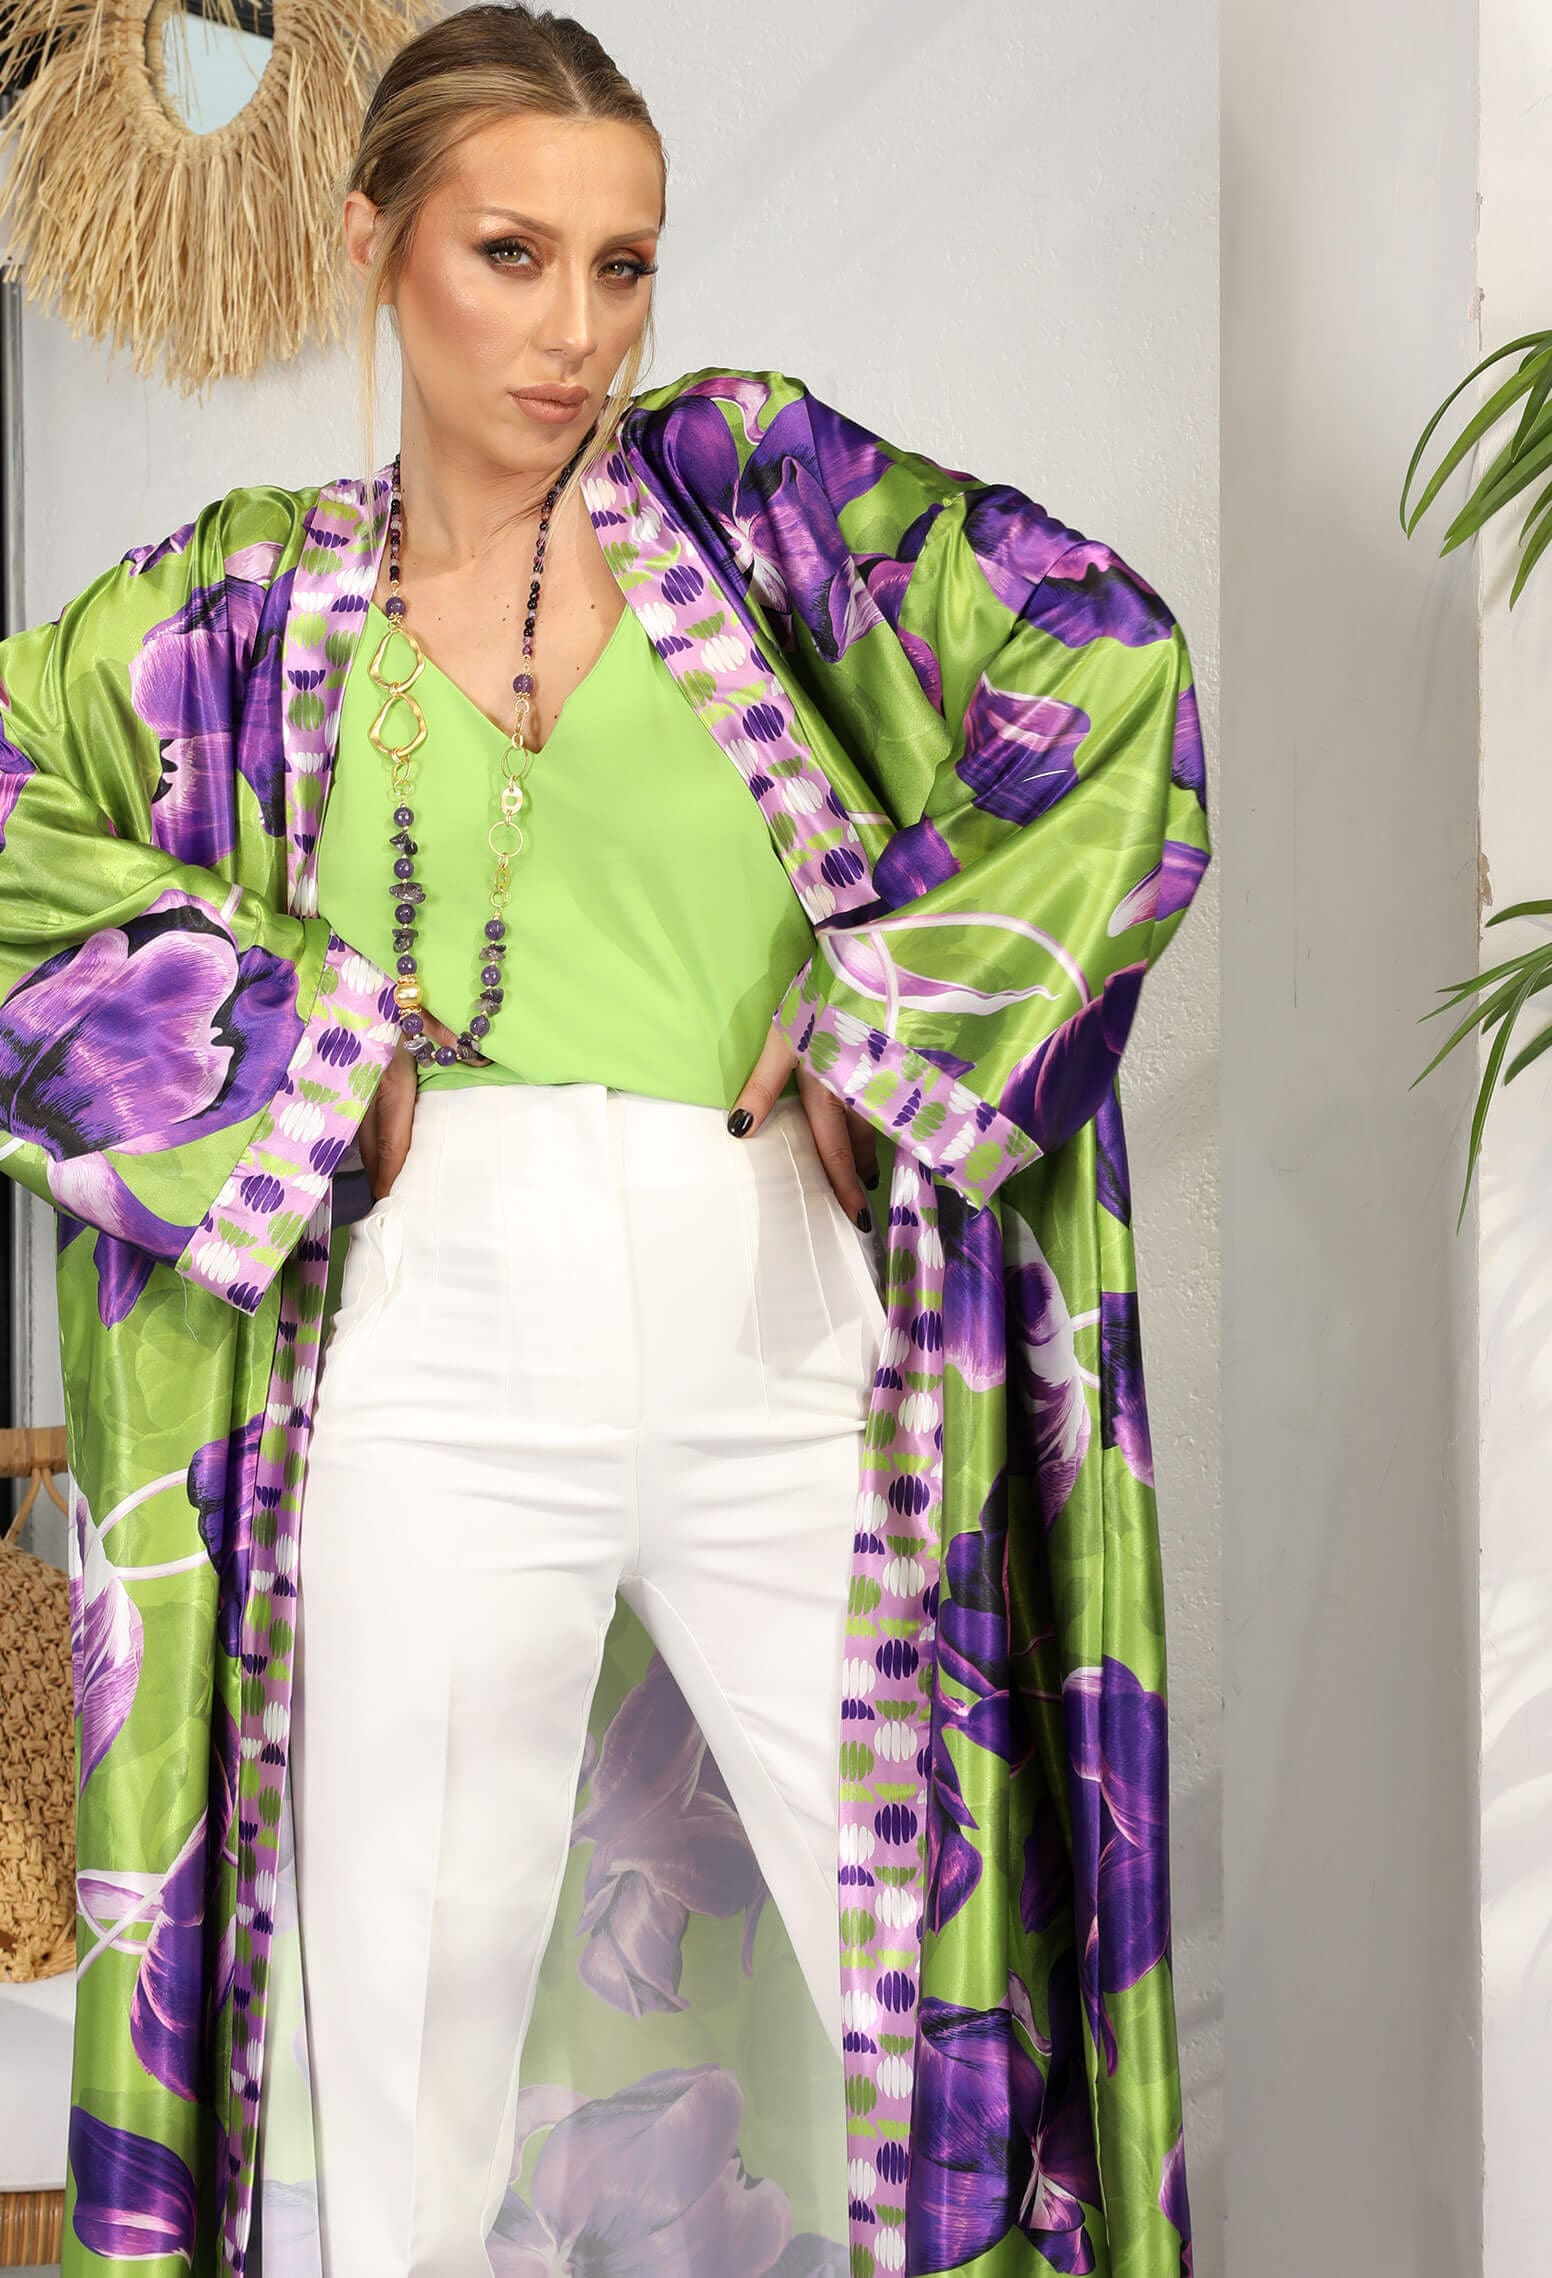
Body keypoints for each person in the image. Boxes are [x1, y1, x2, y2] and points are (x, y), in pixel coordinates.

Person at [1, 8, 1210, 2275]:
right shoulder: (240, 614)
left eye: (623, 264)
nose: (576, 330)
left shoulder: (758, 504)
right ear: (373, 244)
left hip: (780, 1307)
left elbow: (1108, 662)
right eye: (512, 253)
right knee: (401, 2021)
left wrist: (886, 1024)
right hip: (435, 1327)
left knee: (940, 1989)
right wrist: (287, 1054)